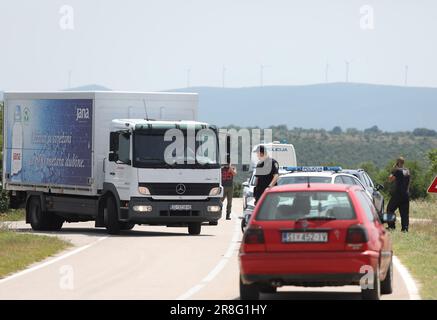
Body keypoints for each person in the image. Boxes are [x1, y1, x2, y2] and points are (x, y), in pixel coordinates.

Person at [387, 156, 411, 232]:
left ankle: (391, 226)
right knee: (404, 213)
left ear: (397, 162)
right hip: (406, 195)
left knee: (389, 209)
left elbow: (390, 179)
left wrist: (392, 171)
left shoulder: (397, 171)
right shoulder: (407, 171)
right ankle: (405, 229)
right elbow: (408, 183)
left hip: (398, 195)